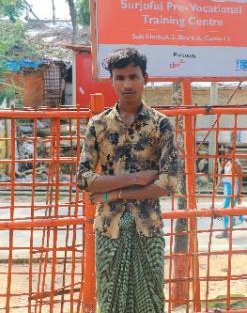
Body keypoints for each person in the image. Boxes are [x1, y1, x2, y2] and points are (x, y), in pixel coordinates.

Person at [77, 48, 178, 313]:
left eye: (133, 76)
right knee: (109, 301)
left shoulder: (161, 125)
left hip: (148, 227)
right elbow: (84, 179)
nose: (127, 84)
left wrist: (113, 192)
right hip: (108, 228)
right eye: (120, 77)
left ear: (145, 77)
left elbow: (168, 183)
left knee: (152, 301)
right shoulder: (97, 125)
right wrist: (137, 178)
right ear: (111, 80)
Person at [216, 145, 247, 239]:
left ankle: (225, 231)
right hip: (226, 188)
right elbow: (222, 174)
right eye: (226, 153)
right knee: (229, 209)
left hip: (233, 189)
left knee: (225, 209)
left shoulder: (236, 164)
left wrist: (239, 194)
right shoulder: (227, 161)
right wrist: (218, 185)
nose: (227, 154)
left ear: (233, 152)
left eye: (229, 152)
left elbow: (240, 180)